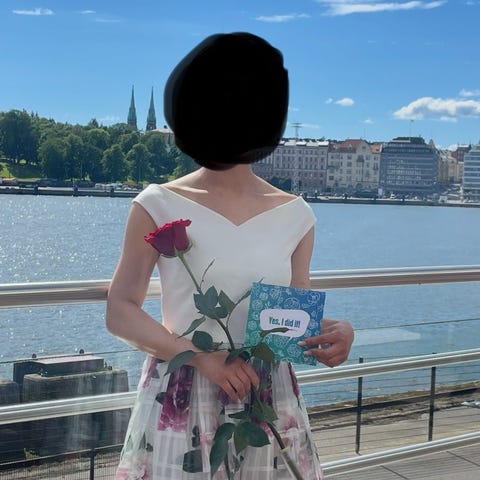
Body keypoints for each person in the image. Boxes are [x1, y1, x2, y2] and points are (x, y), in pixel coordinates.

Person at [106, 32, 354, 480]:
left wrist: (334, 333)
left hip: (267, 397)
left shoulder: (297, 216)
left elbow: (290, 320)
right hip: (185, 390)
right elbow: (120, 311)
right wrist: (200, 357)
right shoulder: (155, 204)